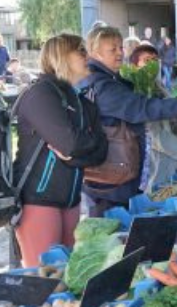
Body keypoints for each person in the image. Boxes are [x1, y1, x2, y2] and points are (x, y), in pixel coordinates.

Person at [80, 26, 177, 217]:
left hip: (112, 175)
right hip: (111, 180)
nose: (120, 52)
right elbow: (145, 108)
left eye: (121, 47)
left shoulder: (106, 80)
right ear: (95, 53)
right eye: (113, 49)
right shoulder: (104, 87)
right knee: (116, 230)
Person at [13, 34, 108, 267]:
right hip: (38, 201)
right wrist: (83, 147)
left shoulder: (82, 101)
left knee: (67, 278)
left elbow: (102, 152)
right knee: (44, 281)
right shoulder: (40, 94)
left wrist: (76, 158)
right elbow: (71, 144)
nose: (88, 57)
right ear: (61, 57)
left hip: (71, 200)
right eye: (81, 51)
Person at [130, 44, 177, 191]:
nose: (152, 64)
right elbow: (153, 133)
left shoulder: (159, 86)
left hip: (170, 160)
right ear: (135, 65)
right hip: (156, 165)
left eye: (155, 60)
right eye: (147, 60)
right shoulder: (139, 91)